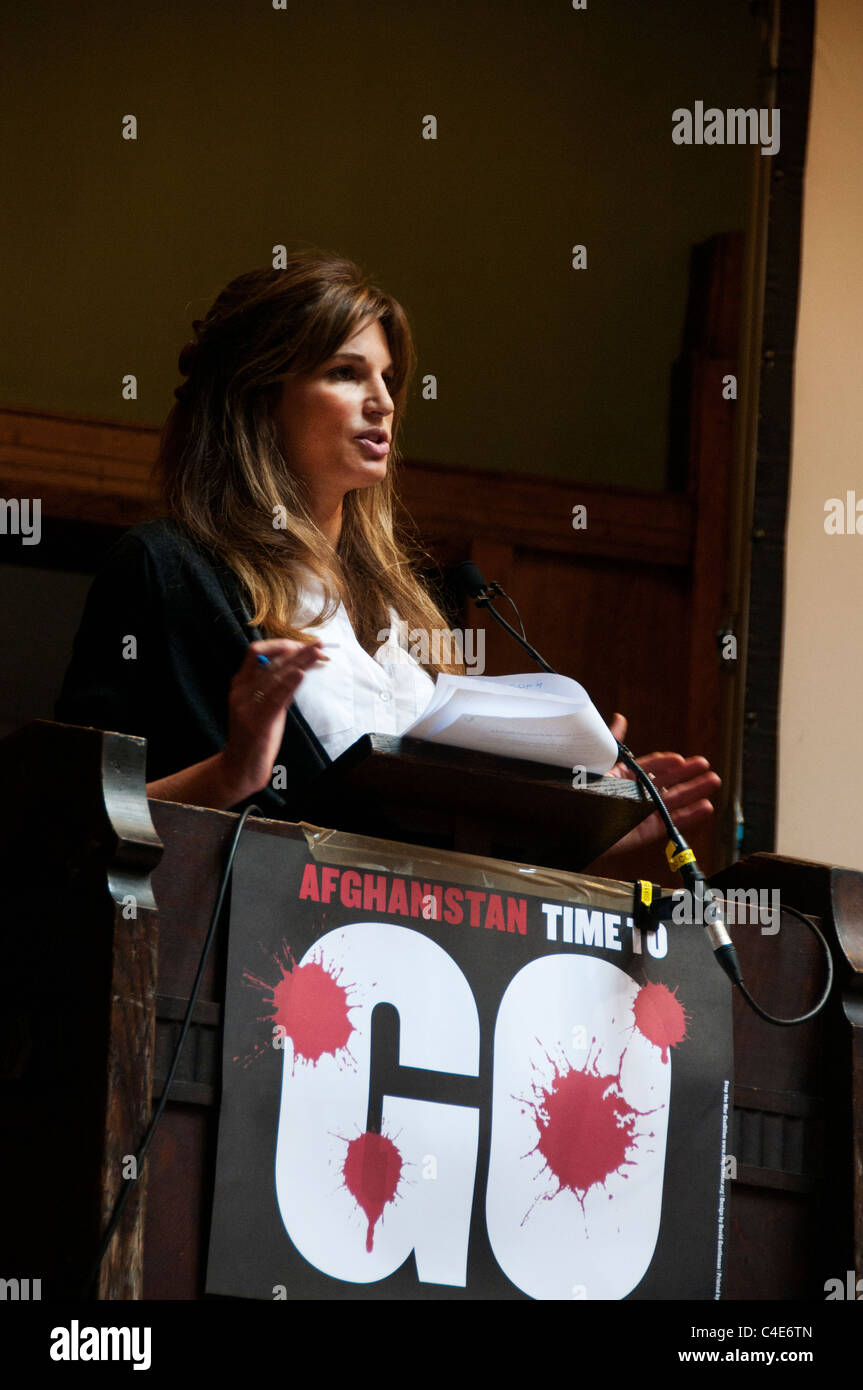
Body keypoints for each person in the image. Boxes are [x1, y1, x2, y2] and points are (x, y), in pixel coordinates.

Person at [55, 250, 719, 853]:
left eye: (387, 378)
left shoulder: (409, 610)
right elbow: (70, 824)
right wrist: (234, 772)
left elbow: (439, 863)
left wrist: (595, 826)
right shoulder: (166, 570)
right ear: (257, 398)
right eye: (345, 373)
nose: (382, 402)